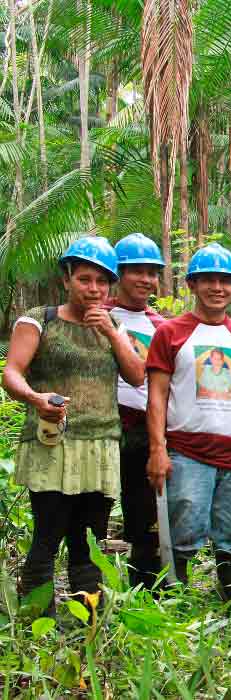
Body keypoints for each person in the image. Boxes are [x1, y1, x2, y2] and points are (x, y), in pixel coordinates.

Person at [5, 237, 144, 616]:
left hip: (101, 444)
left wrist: (113, 335)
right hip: (52, 443)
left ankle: (87, 625)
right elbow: (12, 372)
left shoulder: (113, 325)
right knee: (47, 537)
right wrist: (36, 399)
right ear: (67, 279)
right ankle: (38, 624)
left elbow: (136, 376)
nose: (94, 288)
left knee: (90, 541)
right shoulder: (40, 319)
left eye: (102, 282)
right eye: (85, 279)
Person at [144, 243, 231, 618]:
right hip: (187, 452)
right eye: (208, 280)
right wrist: (157, 449)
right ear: (192, 284)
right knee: (182, 534)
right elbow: (157, 397)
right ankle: (172, 615)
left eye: (225, 281)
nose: (217, 288)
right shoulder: (170, 333)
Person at [105, 233, 168, 591]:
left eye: (152, 272)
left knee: (147, 516)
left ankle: (146, 592)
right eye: (137, 271)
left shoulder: (161, 326)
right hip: (105, 424)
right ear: (119, 273)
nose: (146, 280)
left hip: (146, 430)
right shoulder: (102, 316)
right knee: (91, 509)